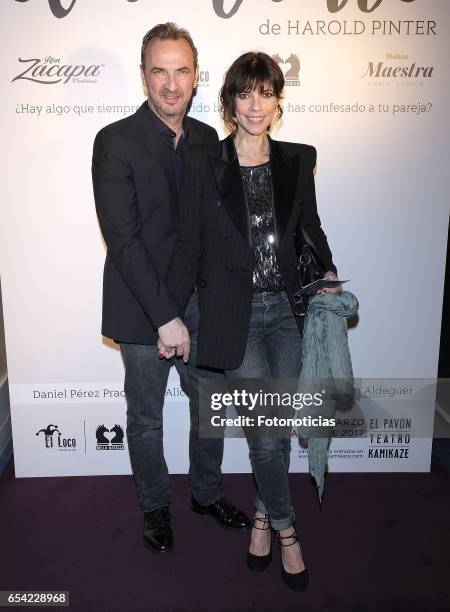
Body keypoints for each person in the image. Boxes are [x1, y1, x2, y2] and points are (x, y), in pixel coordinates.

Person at [161, 51, 340, 590]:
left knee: (276, 429)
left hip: (287, 313)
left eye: (266, 92)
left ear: (278, 100)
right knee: (264, 435)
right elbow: (189, 242)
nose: (255, 104)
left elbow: (310, 226)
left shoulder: (298, 159)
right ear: (229, 102)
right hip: (233, 317)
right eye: (245, 93)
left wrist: (328, 271)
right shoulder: (203, 162)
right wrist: (170, 314)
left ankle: (262, 515)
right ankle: (288, 531)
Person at [92, 23, 250, 555]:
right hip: (142, 311)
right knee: (146, 417)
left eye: (181, 70)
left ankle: (205, 493)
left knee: (212, 407)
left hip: (202, 308)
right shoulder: (114, 142)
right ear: (143, 76)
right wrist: (165, 316)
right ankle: (155, 505)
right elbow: (124, 240)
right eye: (159, 70)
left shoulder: (209, 141)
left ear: (196, 75)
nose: (170, 82)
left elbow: (222, 230)